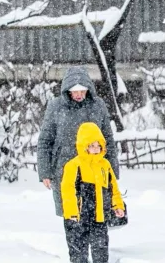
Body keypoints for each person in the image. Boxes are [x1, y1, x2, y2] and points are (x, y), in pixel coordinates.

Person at [37, 67, 119, 218]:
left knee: (96, 214)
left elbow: (107, 140)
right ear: (67, 90)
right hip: (65, 169)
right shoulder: (56, 107)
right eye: (75, 91)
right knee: (71, 215)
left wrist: (113, 170)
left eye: (82, 90)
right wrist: (45, 172)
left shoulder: (97, 106)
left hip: (95, 169)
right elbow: (45, 141)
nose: (79, 94)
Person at [61, 123, 125, 263]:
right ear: (83, 146)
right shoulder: (74, 165)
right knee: (78, 250)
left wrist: (117, 205)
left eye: (98, 145)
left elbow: (113, 188)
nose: (96, 149)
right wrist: (71, 212)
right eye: (91, 145)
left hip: (99, 216)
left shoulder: (105, 165)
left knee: (100, 247)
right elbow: (68, 190)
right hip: (78, 217)